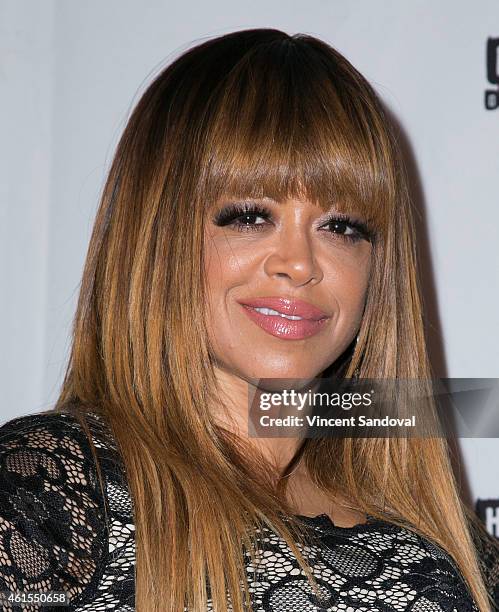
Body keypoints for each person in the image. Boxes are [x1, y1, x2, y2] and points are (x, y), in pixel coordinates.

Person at [0, 27, 498, 612]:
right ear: (156, 234)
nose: (299, 264)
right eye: (248, 216)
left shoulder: (459, 557)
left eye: (341, 227)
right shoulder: (46, 497)